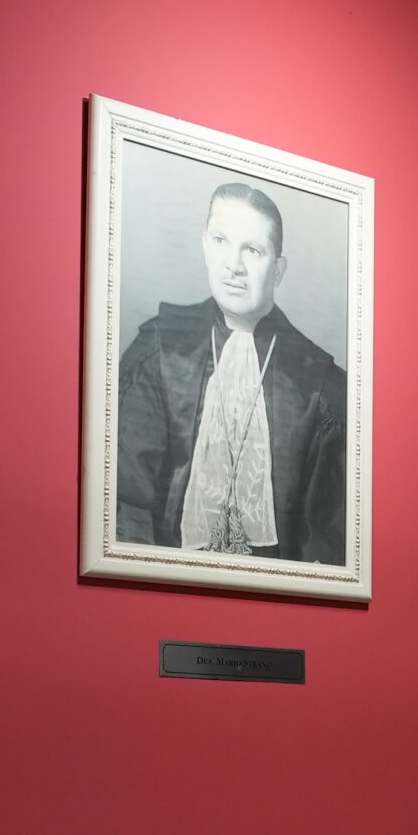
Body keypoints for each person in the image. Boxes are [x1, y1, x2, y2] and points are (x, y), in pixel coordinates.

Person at [115, 184, 347, 562]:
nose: (233, 265)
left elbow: (326, 540)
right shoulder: (160, 350)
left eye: (252, 250)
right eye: (221, 241)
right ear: (205, 246)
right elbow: (127, 502)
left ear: (278, 270)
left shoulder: (319, 386)